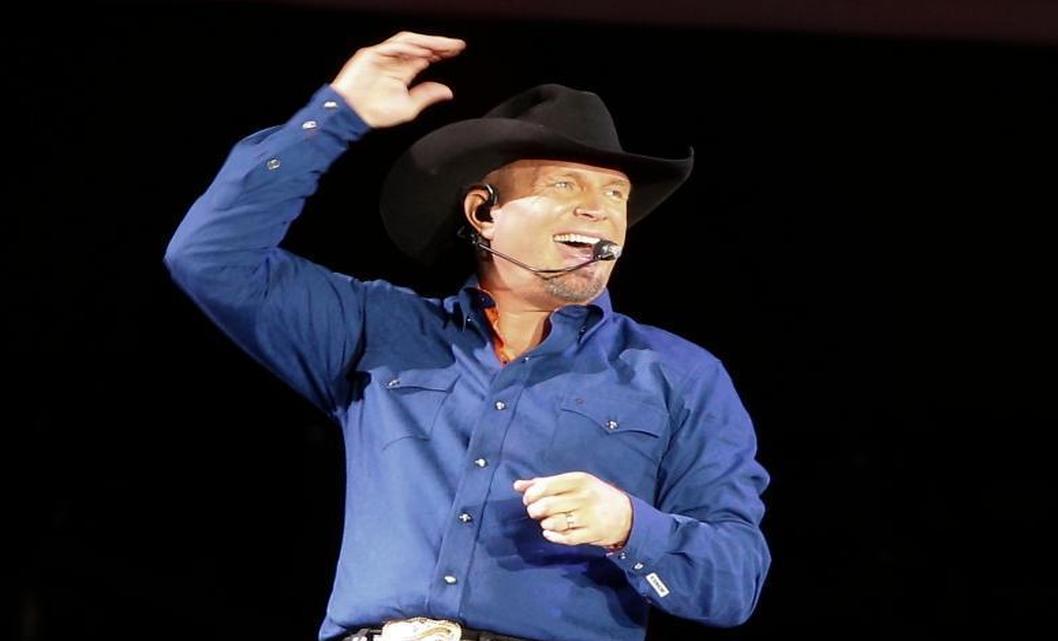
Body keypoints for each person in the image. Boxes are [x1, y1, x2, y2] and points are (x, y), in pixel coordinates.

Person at [165, 31, 770, 641]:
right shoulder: (379, 328)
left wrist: (629, 525)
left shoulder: (678, 373)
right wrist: (337, 116)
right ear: (483, 213)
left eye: (616, 193)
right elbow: (210, 259)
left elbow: (733, 583)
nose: (602, 210)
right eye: (566, 185)